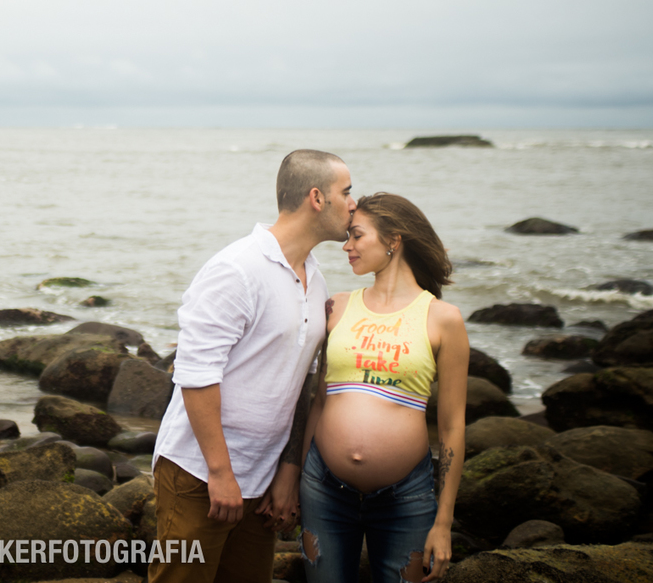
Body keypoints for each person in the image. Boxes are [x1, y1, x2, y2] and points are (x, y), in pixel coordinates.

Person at [149, 149, 356, 583]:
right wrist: (220, 473)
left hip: (260, 482)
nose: (354, 203)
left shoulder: (314, 277)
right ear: (317, 198)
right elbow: (195, 373)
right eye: (347, 192)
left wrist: (287, 470)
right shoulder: (236, 269)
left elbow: (299, 385)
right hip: (199, 473)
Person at [297, 192, 469, 583]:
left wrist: (443, 522)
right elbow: (319, 401)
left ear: (394, 240)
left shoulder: (442, 319)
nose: (347, 246)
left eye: (357, 236)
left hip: (406, 499)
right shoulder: (337, 307)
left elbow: (452, 427)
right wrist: (294, 479)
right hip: (322, 488)